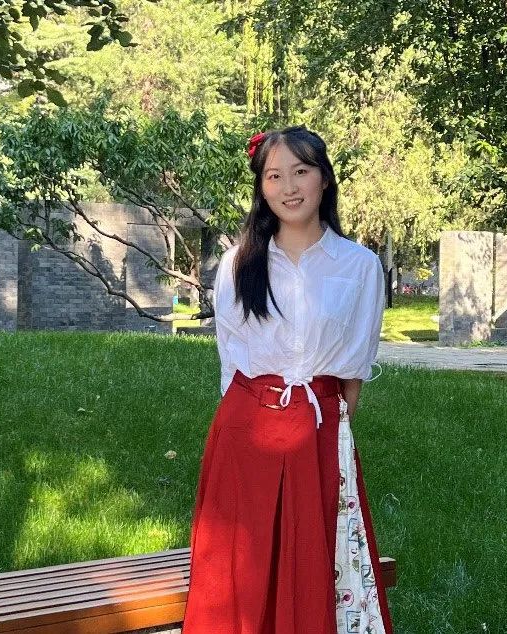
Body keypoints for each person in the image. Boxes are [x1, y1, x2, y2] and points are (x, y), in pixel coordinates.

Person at [182, 126, 394, 633]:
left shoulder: (360, 266)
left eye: (301, 172)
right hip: (245, 428)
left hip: (319, 428)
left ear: (324, 179)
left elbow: (354, 366)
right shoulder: (238, 263)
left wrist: (332, 433)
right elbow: (231, 357)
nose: (289, 187)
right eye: (274, 176)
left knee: (312, 564)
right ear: (262, 187)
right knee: (239, 570)